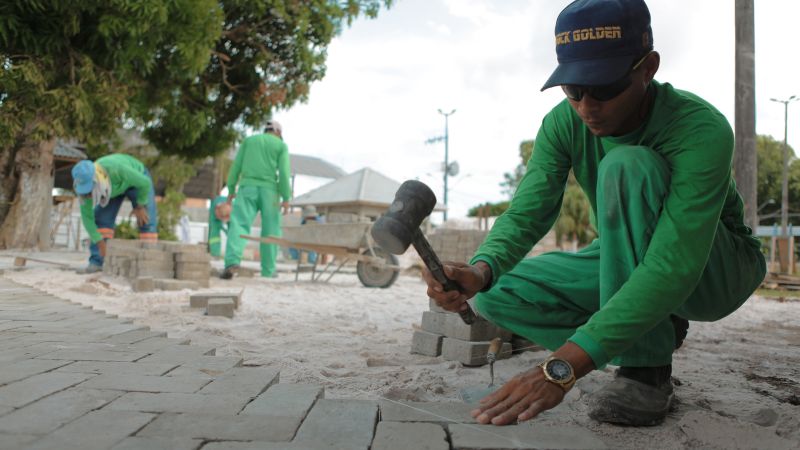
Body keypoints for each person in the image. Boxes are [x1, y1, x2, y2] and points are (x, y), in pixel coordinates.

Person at [424, 0, 765, 428]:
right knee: (497, 295)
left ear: (648, 68)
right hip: (627, 260)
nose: (587, 106)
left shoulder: (700, 128)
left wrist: (560, 368)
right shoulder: (563, 124)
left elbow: (674, 264)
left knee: (627, 165)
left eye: (604, 87)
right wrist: (479, 270)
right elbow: (528, 212)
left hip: (714, 266)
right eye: (573, 89)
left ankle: (645, 370)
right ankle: (655, 329)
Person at [221, 119, 292, 279]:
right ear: (279, 133)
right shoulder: (281, 146)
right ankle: (268, 270)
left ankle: (232, 261)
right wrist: (286, 197)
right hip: (270, 191)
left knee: (239, 224)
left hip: (247, 188)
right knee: (271, 229)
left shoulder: (249, 141)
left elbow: (236, 166)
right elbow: (284, 173)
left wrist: (231, 188)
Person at [72, 154, 158, 273]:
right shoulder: (85, 194)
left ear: (97, 180)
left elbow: (145, 183)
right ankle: (98, 262)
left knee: (146, 221)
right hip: (111, 189)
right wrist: (100, 243)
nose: (88, 196)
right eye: (84, 191)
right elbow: (87, 219)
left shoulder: (117, 169)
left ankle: (150, 264)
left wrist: (140, 206)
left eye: (89, 190)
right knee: (102, 220)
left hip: (136, 179)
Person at [208, 191, 230, 257]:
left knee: (233, 233)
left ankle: (232, 255)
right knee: (214, 235)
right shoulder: (215, 208)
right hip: (215, 219)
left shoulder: (232, 204)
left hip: (229, 213)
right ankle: (215, 253)